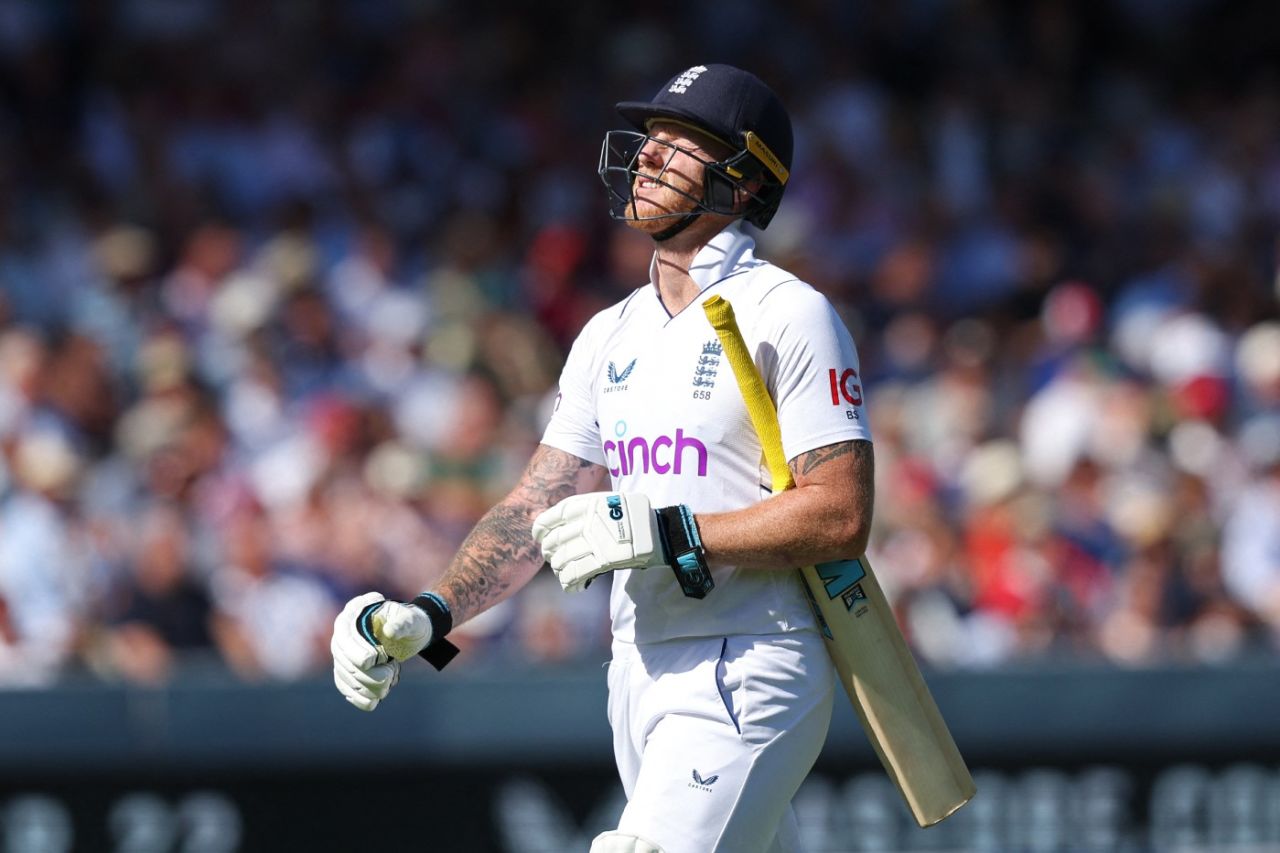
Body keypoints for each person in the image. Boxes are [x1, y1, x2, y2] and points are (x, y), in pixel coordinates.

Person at [331, 63, 875, 853]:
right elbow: (537, 506)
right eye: (650, 138)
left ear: (747, 178)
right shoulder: (608, 334)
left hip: (750, 654)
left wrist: (670, 533)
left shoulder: (790, 314)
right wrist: (432, 614)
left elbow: (841, 513)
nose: (648, 156)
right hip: (636, 669)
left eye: (681, 143)